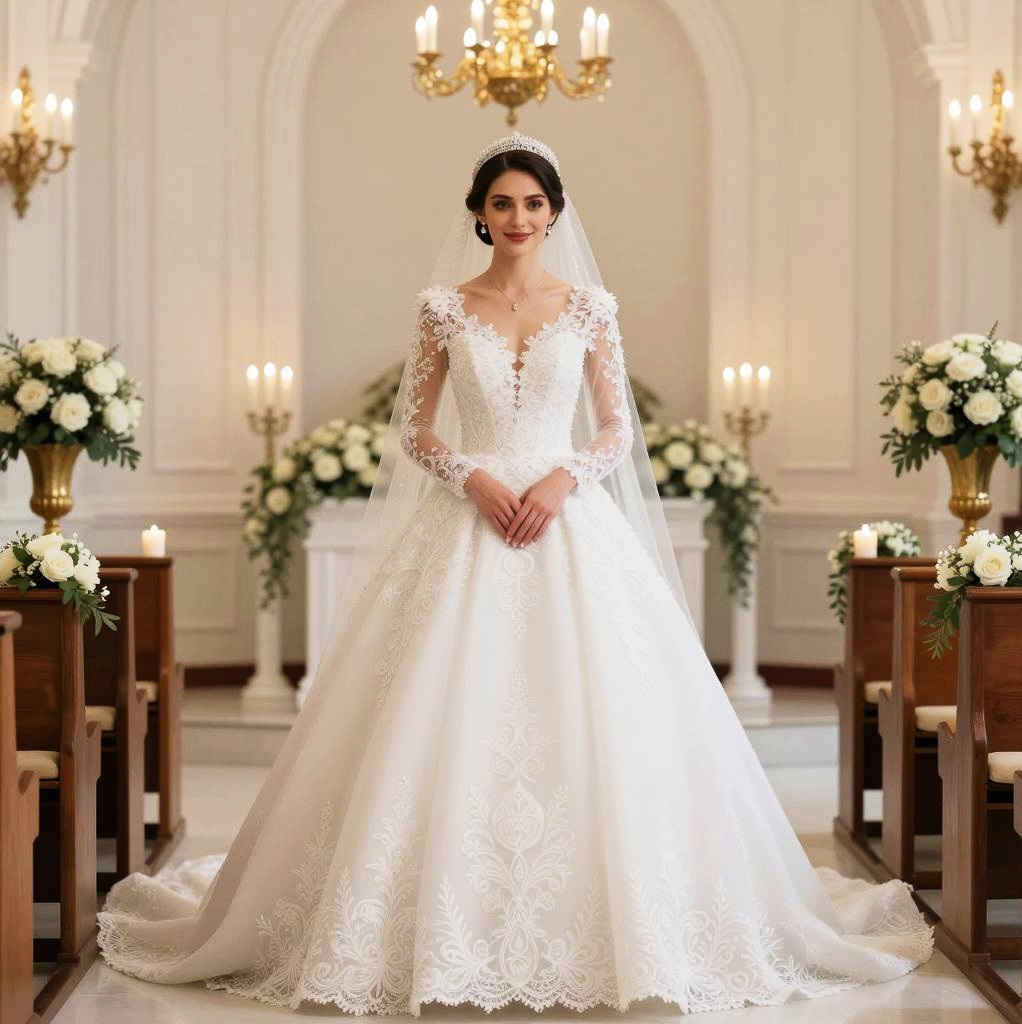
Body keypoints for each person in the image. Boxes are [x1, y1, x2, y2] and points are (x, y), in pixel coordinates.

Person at [96, 131, 933, 1016]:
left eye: (534, 203)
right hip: (471, 517)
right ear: (479, 214)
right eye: (502, 203)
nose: (519, 218)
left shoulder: (590, 309)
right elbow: (415, 430)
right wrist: (477, 478)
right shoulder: (443, 309)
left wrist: (564, 477)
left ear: (555, 213)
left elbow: (616, 430)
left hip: (569, 521)